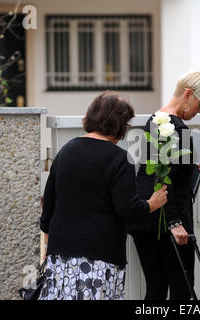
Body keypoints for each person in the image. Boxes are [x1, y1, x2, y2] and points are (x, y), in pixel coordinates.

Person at [38, 92, 168, 300]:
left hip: (61, 258)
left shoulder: (65, 152)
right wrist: (153, 203)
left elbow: (48, 211)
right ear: (120, 125)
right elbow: (128, 209)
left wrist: (47, 248)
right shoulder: (118, 159)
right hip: (99, 260)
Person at [128, 71, 200, 300]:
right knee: (182, 289)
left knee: (155, 289)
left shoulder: (155, 120)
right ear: (187, 94)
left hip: (145, 217)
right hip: (169, 221)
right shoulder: (176, 128)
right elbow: (163, 179)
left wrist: (191, 167)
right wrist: (175, 223)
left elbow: (158, 170)